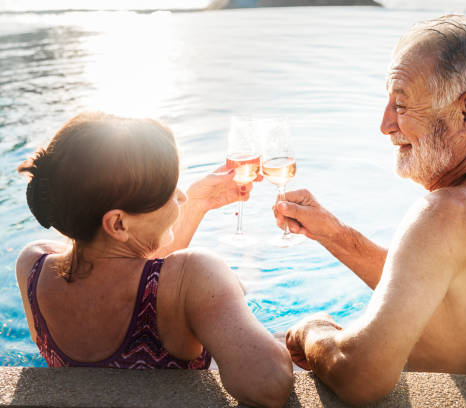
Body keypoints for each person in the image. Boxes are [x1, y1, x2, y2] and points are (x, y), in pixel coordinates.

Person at [275, 15, 466, 405]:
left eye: (400, 104)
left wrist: (313, 331)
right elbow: (432, 282)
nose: (385, 124)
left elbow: (361, 376)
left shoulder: (446, 212)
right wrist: (334, 234)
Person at [15, 112, 292, 408]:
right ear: (118, 224)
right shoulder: (195, 275)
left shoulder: (33, 266)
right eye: (169, 191)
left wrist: (200, 201)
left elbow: (128, 267)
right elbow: (268, 385)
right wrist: (224, 286)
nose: (182, 197)